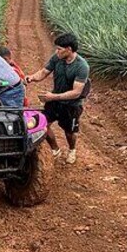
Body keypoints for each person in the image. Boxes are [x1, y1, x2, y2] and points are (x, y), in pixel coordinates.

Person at [26, 33, 90, 165]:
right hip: (54, 101)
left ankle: (72, 150)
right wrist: (32, 77)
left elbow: (76, 93)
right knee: (42, 124)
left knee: (69, 132)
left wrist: (52, 96)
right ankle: (55, 150)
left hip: (71, 105)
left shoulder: (82, 66)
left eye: (60, 49)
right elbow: (44, 72)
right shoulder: (57, 58)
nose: (57, 51)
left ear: (69, 49)